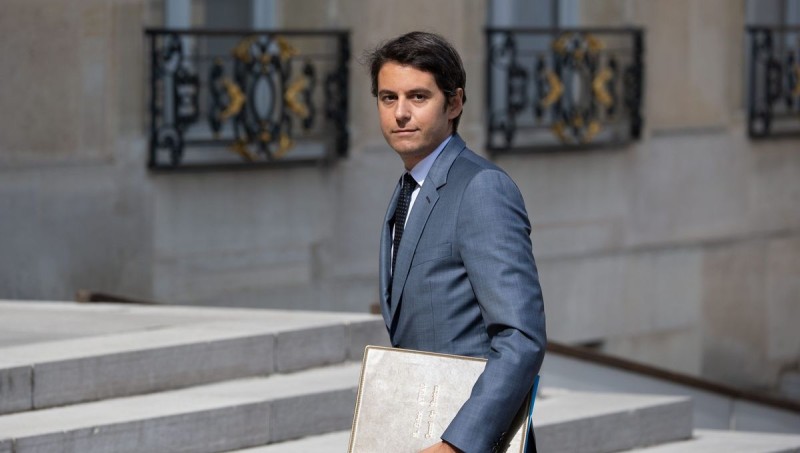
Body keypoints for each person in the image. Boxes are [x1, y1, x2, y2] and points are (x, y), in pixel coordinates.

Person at [366, 31, 547, 453]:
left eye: (418, 97)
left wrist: (457, 444)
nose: (401, 113)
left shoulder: (481, 188)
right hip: (423, 427)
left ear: (454, 103)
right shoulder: (409, 189)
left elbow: (521, 336)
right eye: (388, 98)